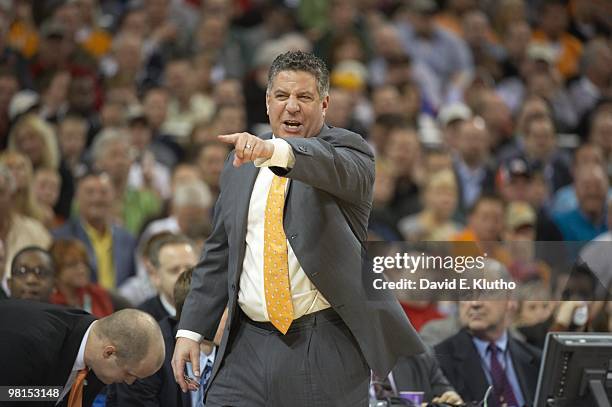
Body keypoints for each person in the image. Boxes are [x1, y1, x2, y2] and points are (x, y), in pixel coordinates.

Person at [172, 50, 423, 406]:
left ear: (324, 104)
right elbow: (219, 252)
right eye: (281, 96)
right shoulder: (240, 162)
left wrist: (277, 151)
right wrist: (190, 330)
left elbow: (324, 163)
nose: (291, 106)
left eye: (304, 97)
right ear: (267, 101)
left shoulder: (351, 153)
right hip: (245, 343)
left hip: (321, 342)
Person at [0, 300, 165, 407]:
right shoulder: (34, 343)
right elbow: (8, 394)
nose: (129, 382)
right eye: (129, 373)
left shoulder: (96, 358)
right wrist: (50, 392)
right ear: (109, 353)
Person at [108, 267, 227, 407]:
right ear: (194, 315)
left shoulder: (240, 351)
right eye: (223, 309)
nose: (232, 318)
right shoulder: (147, 354)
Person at [435, 260, 541, 406]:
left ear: (509, 298)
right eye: (466, 293)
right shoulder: (439, 361)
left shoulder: (537, 360)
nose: (475, 303)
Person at [139, 234, 199, 321]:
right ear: (155, 275)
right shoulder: (142, 319)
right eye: (174, 270)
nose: (183, 275)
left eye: (190, 269)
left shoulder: (216, 310)